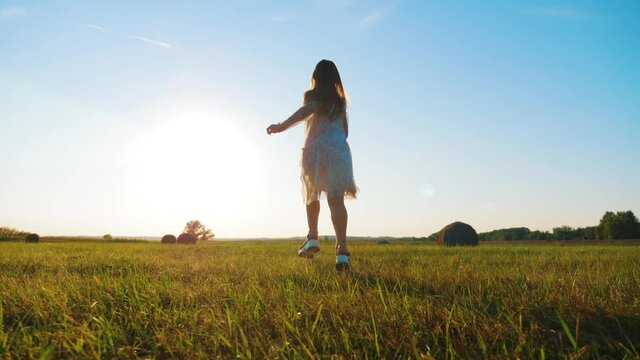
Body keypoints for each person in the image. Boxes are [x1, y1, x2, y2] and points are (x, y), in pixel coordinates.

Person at [266, 59, 358, 271]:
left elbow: (304, 112)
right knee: (336, 201)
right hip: (338, 151)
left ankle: (313, 237)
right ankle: (342, 252)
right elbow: (345, 131)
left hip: (316, 149)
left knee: (312, 193)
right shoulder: (341, 102)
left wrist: (281, 126)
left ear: (315, 77)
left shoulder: (313, 96)